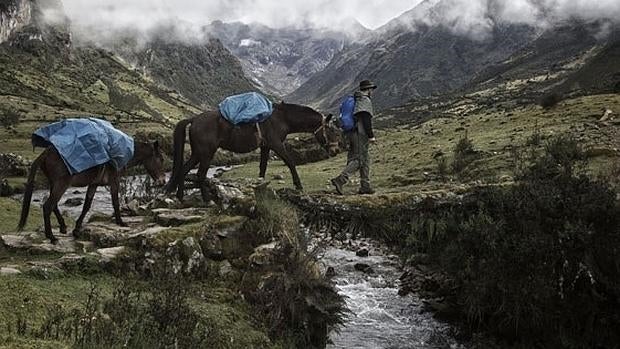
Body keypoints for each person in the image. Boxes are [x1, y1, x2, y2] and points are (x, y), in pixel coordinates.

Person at [331, 79, 377, 195]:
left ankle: (365, 186)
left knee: (364, 159)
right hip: (359, 134)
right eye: (372, 89)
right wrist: (371, 136)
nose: (372, 92)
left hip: (350, 133)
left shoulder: (355, 99)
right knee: (360, 159)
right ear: (369, 90)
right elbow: (365, 118)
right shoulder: (364, 100)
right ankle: (340, 180)